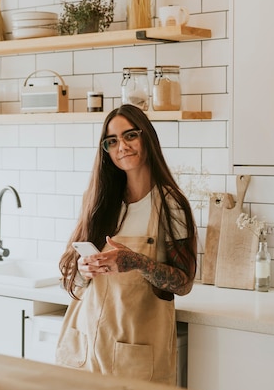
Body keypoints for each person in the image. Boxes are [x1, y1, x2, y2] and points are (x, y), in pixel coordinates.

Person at [55, 104, 197, 386]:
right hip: (84, 346)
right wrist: (83, 268)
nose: (122, 146)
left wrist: (137, 261)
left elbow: (183, 283)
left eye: (130, 135)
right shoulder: (97, 200)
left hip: (137, 353)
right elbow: (68, 277)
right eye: (112, 141)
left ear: (147, 138)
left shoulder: (170, 205)